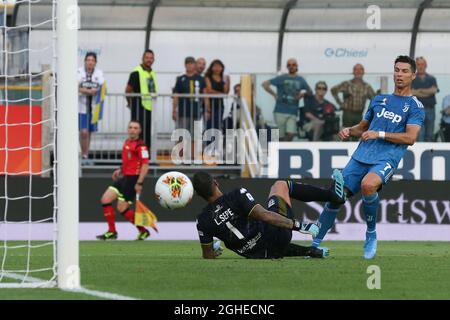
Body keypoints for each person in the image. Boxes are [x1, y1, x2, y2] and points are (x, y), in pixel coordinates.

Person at [311, 56, 425, 259]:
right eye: (397, 70)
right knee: (336, 197)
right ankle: (315, 244)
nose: (399, 74)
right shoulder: (379, 99)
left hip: (386, 158)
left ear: (413, 75)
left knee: (368, 185)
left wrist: (379, 134)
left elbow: (410, 137)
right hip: (361, 155)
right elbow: (363, 128)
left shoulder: (415, 106)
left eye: (405, 71)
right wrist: (348, 130)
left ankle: (371, 234)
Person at [194, 170, 346, 259]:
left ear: (199, 195)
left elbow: (207, 255)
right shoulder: (236, 195)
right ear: (216, 183)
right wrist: (299, 225)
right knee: (280, 185)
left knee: (261, 239)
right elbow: (264, 215)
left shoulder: (202, 221)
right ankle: (333, 195)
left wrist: (213, 250)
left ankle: (309, 251)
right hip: (278, 237)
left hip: (261, 254)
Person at [97, 120, 151, 241]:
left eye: (136, 128)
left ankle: (143, 230)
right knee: (105, 199)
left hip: (133, 179)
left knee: (122, 208)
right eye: (130, 127)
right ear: (128, 129)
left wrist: (139, 182)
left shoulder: (141, 146)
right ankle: (112, 232)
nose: (132, 130)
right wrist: (120, 169)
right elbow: (130, 161)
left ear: (140, 131)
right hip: (124, 177)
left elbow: (145, 165)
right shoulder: (127, 142)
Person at [262, 58, 311, 141]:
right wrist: (274, 94)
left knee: (291, 134)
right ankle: (280, 150)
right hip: (280, 110)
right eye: (289, 65)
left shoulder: (301, 80)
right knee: (280, 136)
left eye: (293, 65)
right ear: (287, 67)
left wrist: (302, 94)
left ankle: (283, 148)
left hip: (293, 111)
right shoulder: (281, 78)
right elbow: (264, 84)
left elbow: (310, 92)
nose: (291, 66)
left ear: (297, 66)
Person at [172, 56, 208, 160]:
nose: (190, 65)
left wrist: (207, 109)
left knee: (195, 135)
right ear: (185, 65)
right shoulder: (180, 79)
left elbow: (205, 95)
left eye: (191, 63)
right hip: (183, 112)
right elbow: (176, 95)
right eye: (187, 63)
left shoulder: (201, 79)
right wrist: (174, 110)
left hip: (196, 112)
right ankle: (180, 156)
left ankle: (193, 157)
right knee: (181, 134)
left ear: (194, 65)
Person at [126, 49, 158, 150]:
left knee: (147, 132)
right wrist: (131, 104)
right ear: (142, 59)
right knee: (137, 132)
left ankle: (146, 157)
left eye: (151, 58)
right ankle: (137, 155)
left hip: (148, 107)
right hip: (138, 106)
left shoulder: (152, 72)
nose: (149, 60)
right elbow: (128, 90)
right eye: (147, 58)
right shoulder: (136, 72)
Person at [331, 63, 376, 134]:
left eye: (360, 69)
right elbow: (333, 90)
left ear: (363, 72)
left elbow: (374, 99)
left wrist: (371, 113)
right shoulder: (347, 84)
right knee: (346, 134)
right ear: (353, 72)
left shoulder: (367, 86)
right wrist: (340, 103)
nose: (358, 71)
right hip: (347, 114)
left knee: (357, 135)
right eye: (356, 69)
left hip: (359, 115)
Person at [78, 52, 105, 164]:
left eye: (92, 60)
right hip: (81, 107)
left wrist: (96, 91)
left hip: (93, 108)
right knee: (83, 132)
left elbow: (103, 87)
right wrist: (88, 91)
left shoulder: (99, 73)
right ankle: (83, 154)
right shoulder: (79, 72)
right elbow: (75, 86)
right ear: (85, 61)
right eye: (88, 60)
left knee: (89, 132)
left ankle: (85, 155)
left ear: (95, 62)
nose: (90, 62)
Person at [412, 57, 439, 142]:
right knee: (420, 135)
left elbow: (434, 90)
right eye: (418, 64)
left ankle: (429, 155)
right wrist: (428, 91)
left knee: (430, 135)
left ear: (426, 65)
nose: (420, 66)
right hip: (418, 110)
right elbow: (411, 92)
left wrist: (419, 90)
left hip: (430, 109)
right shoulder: (411, 78)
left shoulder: (431, 78)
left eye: (422, 64)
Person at [205, 59, 230, 132]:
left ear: (222, 68)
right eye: (215, 66)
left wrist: (227, 80)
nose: (217, 68)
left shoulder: (223, 78)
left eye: (219, 67)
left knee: (217, 125)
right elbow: (209, 90)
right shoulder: (208, 77)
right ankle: (207, 142)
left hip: (219, 105)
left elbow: (226, 91)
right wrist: (221, 94)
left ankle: (215, 142)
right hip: (209, 105)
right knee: (209, 125)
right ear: (211, 68)